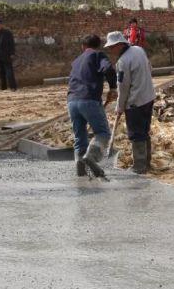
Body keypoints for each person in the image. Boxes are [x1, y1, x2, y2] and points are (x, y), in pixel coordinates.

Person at [105, 31, 156, 174]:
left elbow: (123, 87)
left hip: (135, 102)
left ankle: (139, 167)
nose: (110, 50)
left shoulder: (122, 62)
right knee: (144, 131)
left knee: (136, 134)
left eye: (111, 47)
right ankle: (146, 162)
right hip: (148, 97)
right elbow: (150, 68)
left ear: (119, 45)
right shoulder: (139, 50)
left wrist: (120, 107)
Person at [67, 34, 118, 178]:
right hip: (89, 99)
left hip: (72, 101)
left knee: (80, 136)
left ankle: (80, 171)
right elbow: (108, 69)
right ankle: (91, 157)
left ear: (83, 47)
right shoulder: (98, 55)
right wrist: (113, 88)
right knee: (103, 133)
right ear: (98, 46)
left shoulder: (76, 60)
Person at [0, 18, 17, 91]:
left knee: (9, 73)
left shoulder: (7, 33)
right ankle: (4, 88)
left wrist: (12, 53)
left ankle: (13, 87)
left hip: (7, 56)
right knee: (1, 73)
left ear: (1, 25)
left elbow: (12, 44)